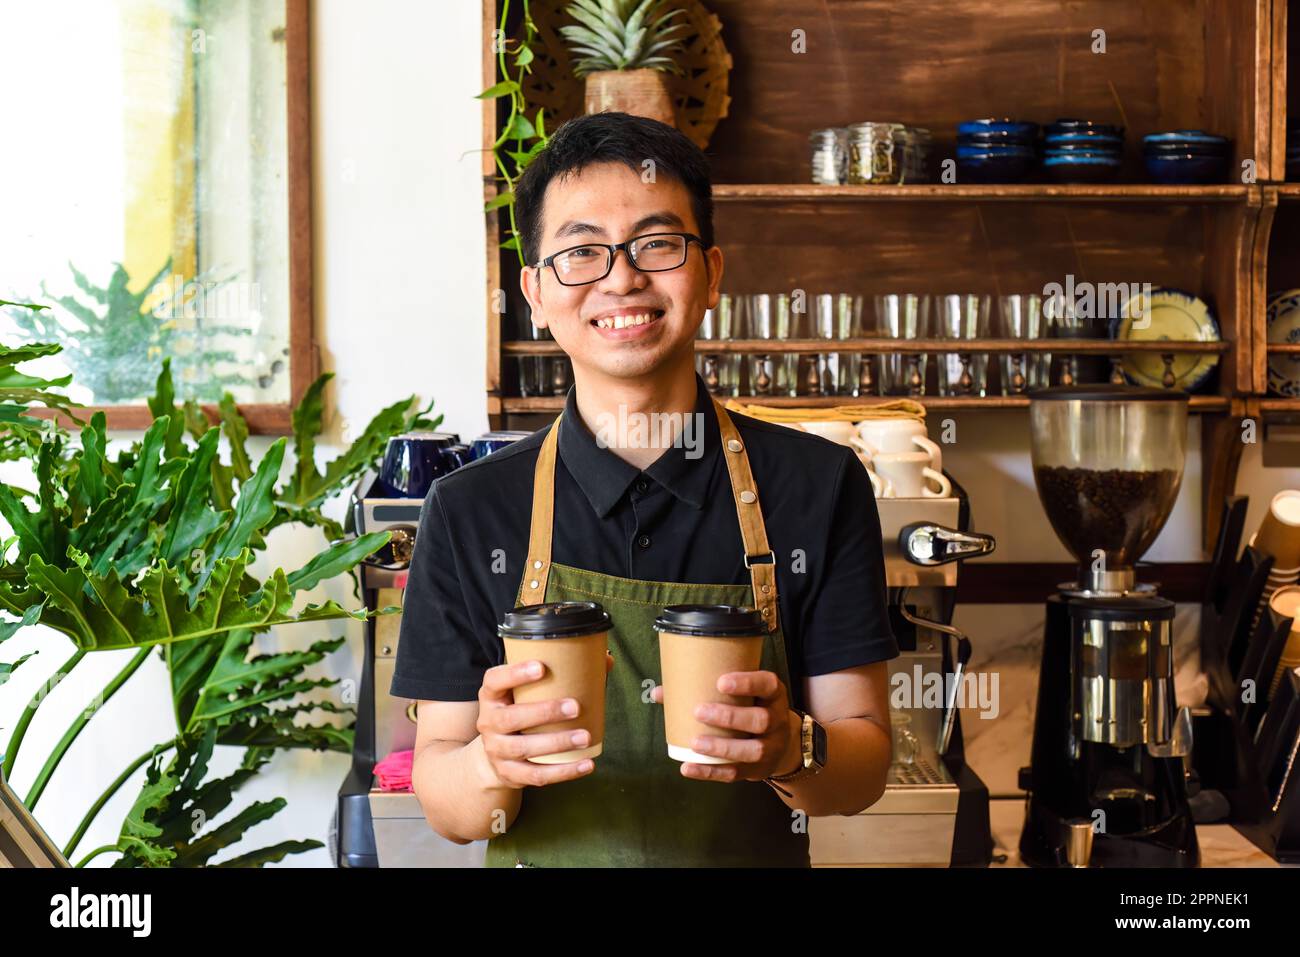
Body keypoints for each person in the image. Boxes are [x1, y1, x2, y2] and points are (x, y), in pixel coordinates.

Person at [392, 112, 898, 867]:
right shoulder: (471, 510)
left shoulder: (817, 487)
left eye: (657, 244)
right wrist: (486, 764)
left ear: (712, 272)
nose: (621, 277)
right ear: (534, 291)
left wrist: (794, 747)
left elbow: (862, 765)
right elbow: (445, 795)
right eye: (581, 251)